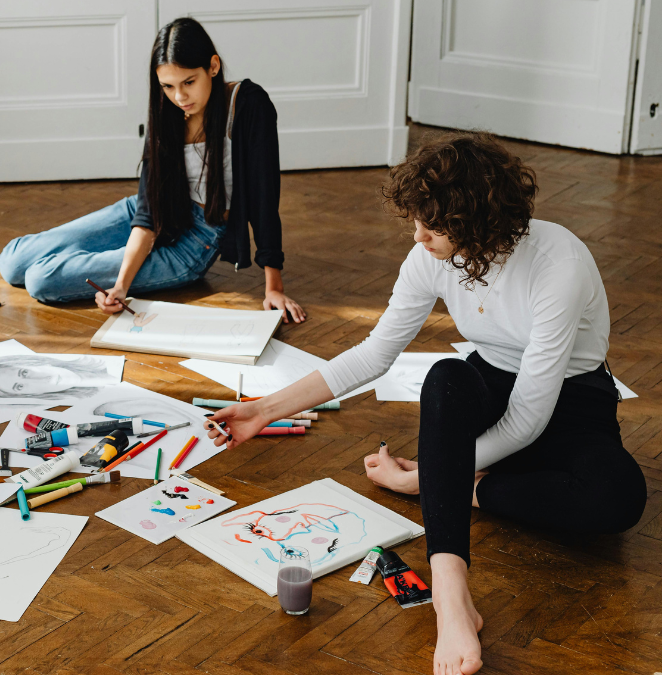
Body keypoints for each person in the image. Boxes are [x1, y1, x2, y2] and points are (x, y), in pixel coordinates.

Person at [203, 133, 646, 675]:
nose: (418, 237)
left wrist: (425, 480)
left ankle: (465, 486)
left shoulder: (559, 263)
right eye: (415, 222)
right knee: (446, 377)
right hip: (488, 387)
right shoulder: (429, 257)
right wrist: (266, 409)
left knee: (618, 500)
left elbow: (531, 417)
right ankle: (452, 594)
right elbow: (374, 353)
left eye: (432, 227)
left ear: (479, 223)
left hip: (574, 402)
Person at [0, 18, 305, 323]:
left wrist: (273, 287)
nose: (180, 97)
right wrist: (121, 283)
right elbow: (147, 215)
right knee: (13, 262)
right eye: (167, 86)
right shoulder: (167, 111)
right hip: (158, 213)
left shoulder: (249, 105)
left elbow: (265, 198)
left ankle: (91, 264)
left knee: (40, 279)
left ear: (213, 66)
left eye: (189, 82)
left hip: (195, 241)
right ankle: (100, 261)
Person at [0, 355, 118, 400]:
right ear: (28, 395)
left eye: (25, 373)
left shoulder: (112, 366)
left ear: (36, 361)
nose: (42, 380)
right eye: (20, 387)